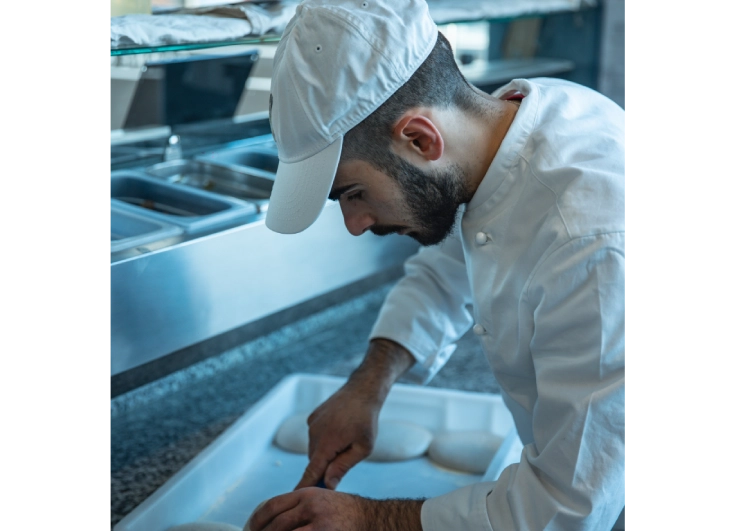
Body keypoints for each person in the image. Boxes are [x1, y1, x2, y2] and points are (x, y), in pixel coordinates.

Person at [250, 0, 627, 529]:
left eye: (352, 193)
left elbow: (565, 509)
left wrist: (370, 520)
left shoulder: (594, 245)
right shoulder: (503, 135)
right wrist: (369, 385)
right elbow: (448, 271)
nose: (355, 225)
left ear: (420, 139)